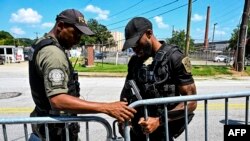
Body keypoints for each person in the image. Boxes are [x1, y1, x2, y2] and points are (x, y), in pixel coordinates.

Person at [28, 9, 136, 141]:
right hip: (54, 133)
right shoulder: (53, 54)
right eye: (76, 33)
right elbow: (58, 100)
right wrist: (106, 108)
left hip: (48, 127)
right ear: (60, 26)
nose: (78, 39)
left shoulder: (42, 43)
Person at [119, 17, 197, 141]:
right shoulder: (135, 61)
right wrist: (122, 116)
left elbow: (191, 102)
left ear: (149, 33)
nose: (135, 49)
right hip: (137, 132)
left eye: (137, 43)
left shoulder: (175, 58)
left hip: (163, 132)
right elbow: (126, 92)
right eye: (132, 46)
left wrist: (159, 121)